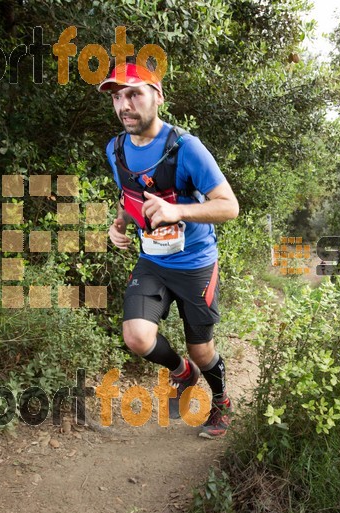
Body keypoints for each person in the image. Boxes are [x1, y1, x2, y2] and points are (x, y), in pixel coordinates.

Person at [99, 60, 239, 438]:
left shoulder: (186, 148)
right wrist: (120, 224)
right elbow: (129, 194)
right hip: (153, 262)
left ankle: (221, 402)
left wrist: (177, 210)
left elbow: (229, 206)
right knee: (137, 337)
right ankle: (182, 374)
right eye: (117, 97)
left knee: (202, 350)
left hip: (195, 263)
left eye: (134, 94)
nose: (124, 105)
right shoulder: (116, 149)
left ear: (157, 96)